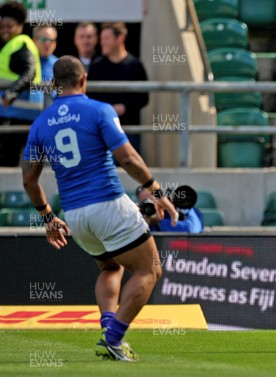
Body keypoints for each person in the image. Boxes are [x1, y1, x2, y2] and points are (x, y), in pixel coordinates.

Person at [21, 56, 178, 362]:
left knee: (111, 267)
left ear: (54, 85)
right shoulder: (98, 110)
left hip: (74, 216)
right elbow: (129, 158)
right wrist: (157, 191)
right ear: (84, 80)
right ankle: (115, 339)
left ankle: (108, 328)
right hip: (106, 203)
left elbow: (29, 180)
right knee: (150, 269)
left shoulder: (40, 124)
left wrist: (48, 217)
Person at [87, 22, 148, 154]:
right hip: (102, 131)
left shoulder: (135, 65)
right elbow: (89, 97)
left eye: (106, 39)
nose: (102, 43)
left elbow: (144, 97)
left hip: (129, 132)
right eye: (101, 39)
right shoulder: (97, 65)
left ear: (120, 38)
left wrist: (124, 107)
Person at [0, 1, 43, 166]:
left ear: (19, 26)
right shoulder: (10, 46)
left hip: (20, 114)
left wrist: (10, 93)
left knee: (11, 160)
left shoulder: (21, 44)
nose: (5, 30)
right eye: (2, 26)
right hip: (12, 113)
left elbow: (29, 73)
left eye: (9, 26)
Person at [135, 186, 203, 233]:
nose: (151, 201)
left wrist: (159, 222)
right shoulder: (141, 214)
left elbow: (193, 229)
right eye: (145, 200)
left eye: (152, 197)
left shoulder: (184, 209)